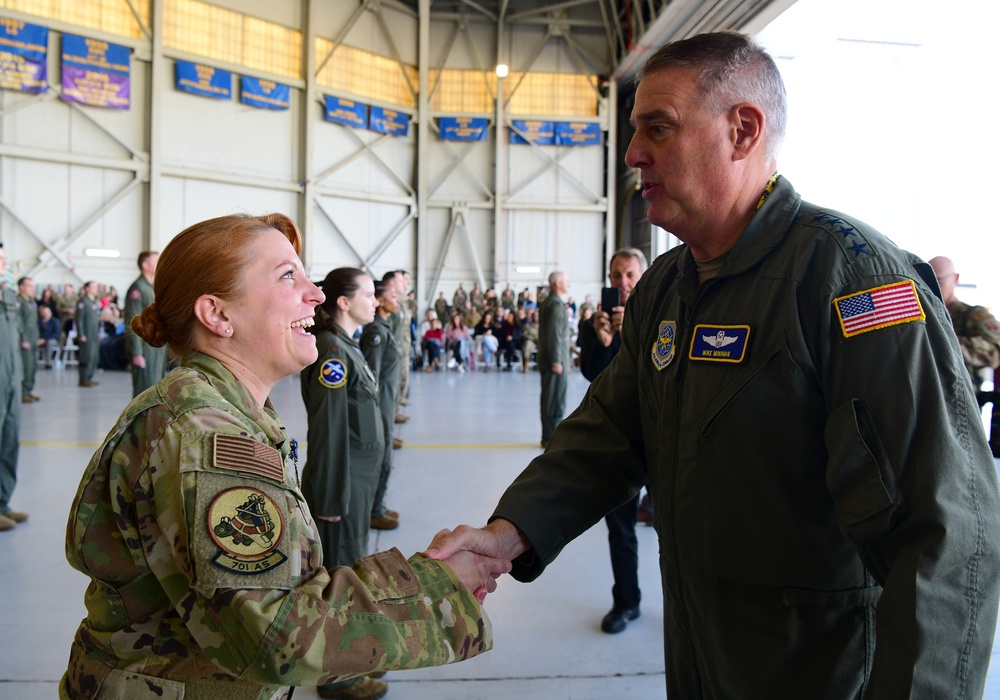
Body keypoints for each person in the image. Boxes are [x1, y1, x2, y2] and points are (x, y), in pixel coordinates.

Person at [424, 32, 1000, 698]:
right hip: (700, 654)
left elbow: (948, 534)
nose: (634, 154)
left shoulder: (853, 280)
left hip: (821, 668)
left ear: (743, 131)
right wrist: (509, 534)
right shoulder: (668, 288)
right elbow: (605, 437)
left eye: (659, 129)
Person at [61, 212, 509, 700]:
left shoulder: (223, 410)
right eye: (288, 275)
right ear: (218, 315)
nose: (315, 293)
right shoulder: (204, 434)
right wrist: (437, 585)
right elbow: (277, 634)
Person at [300, 268, 391, 699]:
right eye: (369, 294)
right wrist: (332, 497)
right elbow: (330, 431)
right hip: (343, 485)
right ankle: (339, 680)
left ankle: (351, 664)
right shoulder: (331, 352)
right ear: (343, 302)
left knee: (352, 569)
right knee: (342, 577)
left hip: (358, 482)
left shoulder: (347, 347)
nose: (376, 302)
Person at [577, 248, 649, 634]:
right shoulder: (592, 325)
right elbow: (593, 374)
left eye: (630, 275)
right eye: (616, 275)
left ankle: (688, 606)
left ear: (643, 276)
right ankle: (626, 601)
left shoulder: (660, 317)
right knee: (620, 528)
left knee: (679, 531)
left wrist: (632, 331)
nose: (623, 283)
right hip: (619, 441)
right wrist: (606, 341)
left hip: (662, 437)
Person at [361, 280, 403, 532]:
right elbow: (372, 375)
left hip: (389, 402)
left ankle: (379, 505)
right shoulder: (375, 332)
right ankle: (374, 510)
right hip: (381, 405)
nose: (397, 300)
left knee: (387, 455)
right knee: (383, 456)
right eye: (393, 296)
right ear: (381, 300)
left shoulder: (384, 327)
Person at [928, 256, 1000, 390]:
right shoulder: (923, 316)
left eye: (938, 280)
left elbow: (995, 352)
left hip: (962, 398)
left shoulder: (973, 315)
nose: (932, 286)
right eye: (926, 281)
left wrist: (947, 345)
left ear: (955, 279)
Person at [0, 247, 27, 532]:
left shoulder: (8, 296)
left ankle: (2, 503)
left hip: (10, 378)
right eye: (0, 259)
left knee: (9, 439)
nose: (5, 263)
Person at [124, 250, 167, 396]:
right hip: (145, 348)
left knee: (156, 389)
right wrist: (136, 353)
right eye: (155, 261)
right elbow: (133, 320)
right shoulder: (138, 288)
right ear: (145, 265)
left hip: (156, 347)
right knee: (144, 391)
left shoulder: (152, 287)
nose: (158, 264)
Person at [537, 270, 570, 446]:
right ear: (557, 283)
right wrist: (556, 361)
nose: (568, 284)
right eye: (565, 281)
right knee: (554, 399)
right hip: (554, 359)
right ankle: (551, 438)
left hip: (550, 356)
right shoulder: (556, 305)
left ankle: (549, 436)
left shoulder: (549, 302)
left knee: (551, 397)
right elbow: (554, 335)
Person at [16, 277, 42, 402]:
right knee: (25, 366)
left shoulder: (31, 302)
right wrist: (23, 339)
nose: (33, 289)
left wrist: (36, 337)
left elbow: (34, 322)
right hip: (25, 339)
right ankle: (22, 392)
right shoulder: (18, 301)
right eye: (30, 286)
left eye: (33, 286)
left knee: (32, 365)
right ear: (21, 287)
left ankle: (29, 390)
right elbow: (18, 322)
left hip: (33, 338)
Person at [75, 280, 101, 388]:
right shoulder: (83, 302)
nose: (96, 289)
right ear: (87, 289)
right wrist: (81, 334)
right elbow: (79, 319)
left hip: (94, 333)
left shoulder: (94, 302)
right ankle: (83, 379)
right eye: (93, 287)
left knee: (94, 356)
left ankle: (89, 377)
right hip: (86, 334)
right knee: (86, 356)